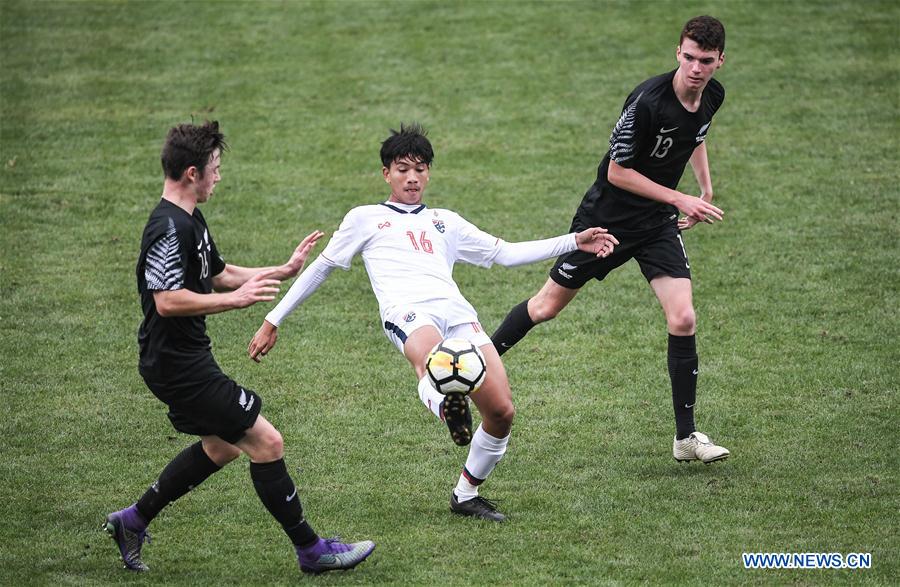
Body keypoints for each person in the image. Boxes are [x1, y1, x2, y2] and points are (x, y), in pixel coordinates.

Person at [248, 123, 618, 522]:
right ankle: (448, 408)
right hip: (407, 313)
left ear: (428, 172)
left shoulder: (446, 221)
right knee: (431, 360)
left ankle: (465, 494)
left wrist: (573, 241)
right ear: (386, 173)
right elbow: (322, 268)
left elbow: (505, 254)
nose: (412, 177)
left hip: (458, 313)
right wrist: (273, 319)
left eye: (420, 169)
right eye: (403, 168)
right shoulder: (366, 218)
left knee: (502, 412)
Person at [104, 121, 375, 575]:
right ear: (192, 172)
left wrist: (282, 271)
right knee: (267, 441)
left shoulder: (189, 219)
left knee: (224, 446)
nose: (219, 176)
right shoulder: (167, 228)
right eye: (214, 167)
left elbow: (218, 273)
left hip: (185, 358)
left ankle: (132, 520)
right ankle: (312, 551)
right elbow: (167, 301)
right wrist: (235, 301)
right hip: (177, 366)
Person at [491, 16, 731, 464]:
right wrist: (680, 197)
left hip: (657, 222)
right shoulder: (647, 101)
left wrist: (705, 189)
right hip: (606, 221)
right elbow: (616, 171)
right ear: (677, 53)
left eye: (706, 61)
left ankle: (685, 438)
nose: (697, 68)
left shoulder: (713, 95)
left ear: (720, 61)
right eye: (690, 58)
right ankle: (475, 366)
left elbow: (695, 137)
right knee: (545, 307)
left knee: (683, 317)